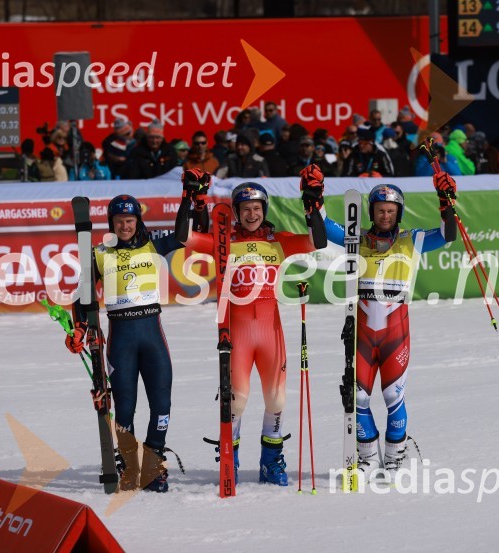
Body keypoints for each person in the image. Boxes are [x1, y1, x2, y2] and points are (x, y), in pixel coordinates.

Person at [175, 171, 327, 486]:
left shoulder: (279, 241)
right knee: (238, 400)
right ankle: (230, 457)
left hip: (271, 331)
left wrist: (313, 202)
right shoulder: (224, 240)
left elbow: (318, 240)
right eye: (245, 209)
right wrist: (191, 199)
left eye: (257, 208)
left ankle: (271, 463)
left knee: (277, 400)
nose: (252, 214)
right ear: (237, 212)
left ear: (265, 209)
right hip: (239, 332)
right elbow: (184, 236)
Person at [65, 178, 209, 492]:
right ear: (111, 224)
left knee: (162, 404)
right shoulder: (100, 252)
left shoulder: (152, 244)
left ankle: (154, 464)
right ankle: (129, 463)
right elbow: (82, 297)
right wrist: (79, 328)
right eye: (119, 221)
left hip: (152, 333)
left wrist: (191, 199)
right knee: (125, 407)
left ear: (137, 221)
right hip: (121, 338)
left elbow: (186, 236)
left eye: (130, 221)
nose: (125, 226)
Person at [318, 167, 457, 480]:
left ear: (399, 213)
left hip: (396, 333)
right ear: (371, 211)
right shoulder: (357, 239)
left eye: (391, 211)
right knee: (358, 397)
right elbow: (324, 227)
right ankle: (367, 458)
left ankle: (394, 461)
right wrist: (313, 199)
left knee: (393, 397)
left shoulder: (413, 240)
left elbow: (449, 234)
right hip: (363, 336)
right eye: (380, 210)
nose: (385, 216)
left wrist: (446, 203)